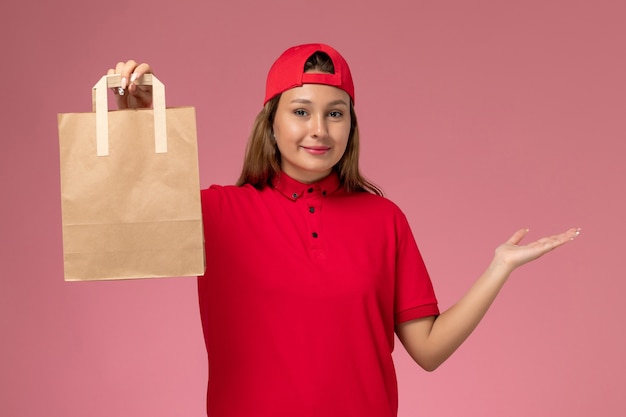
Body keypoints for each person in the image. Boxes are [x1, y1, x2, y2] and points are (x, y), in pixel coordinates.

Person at [107, 43, 580, 417]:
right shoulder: (217, 212)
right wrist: (141, 120)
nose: (319, 129)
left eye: (336, 113)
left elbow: (429, 350)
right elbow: (132, 222)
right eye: (301, 111)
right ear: (270, 123)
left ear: (350, 126)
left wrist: (499, 267)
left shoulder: (384, 219)